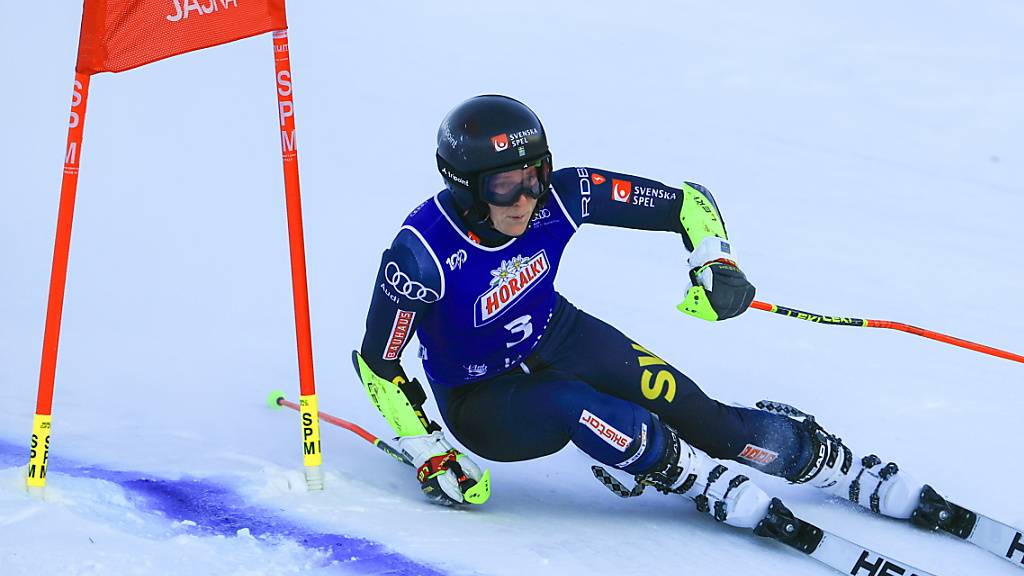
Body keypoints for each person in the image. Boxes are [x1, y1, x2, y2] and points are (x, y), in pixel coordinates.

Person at [352, 95, 924, 529]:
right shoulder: (422, 256)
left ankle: (816, 458)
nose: (526, 200)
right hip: (480, 397)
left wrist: (714, 262)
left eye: (535, 176)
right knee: (577, 405)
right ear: (466, 186)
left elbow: (688, 205)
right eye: (506, 186)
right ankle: (685, 473)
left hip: (556, 331)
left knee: (700, 412)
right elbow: (378, 363)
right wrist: (427, 447)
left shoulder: (564, 195)